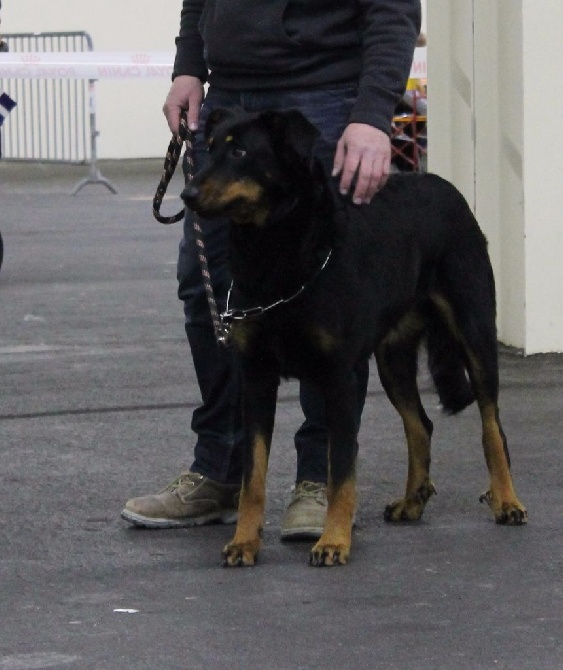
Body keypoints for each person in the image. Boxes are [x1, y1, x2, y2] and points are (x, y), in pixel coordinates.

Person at [121, 0, 421, 539]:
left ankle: (318, 480)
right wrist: (189, 65)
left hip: (325, 98)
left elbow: (392, 9)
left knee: (327, 299)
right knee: (207, 289)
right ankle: (220, 470)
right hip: (230, 95)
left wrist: (374, 114)